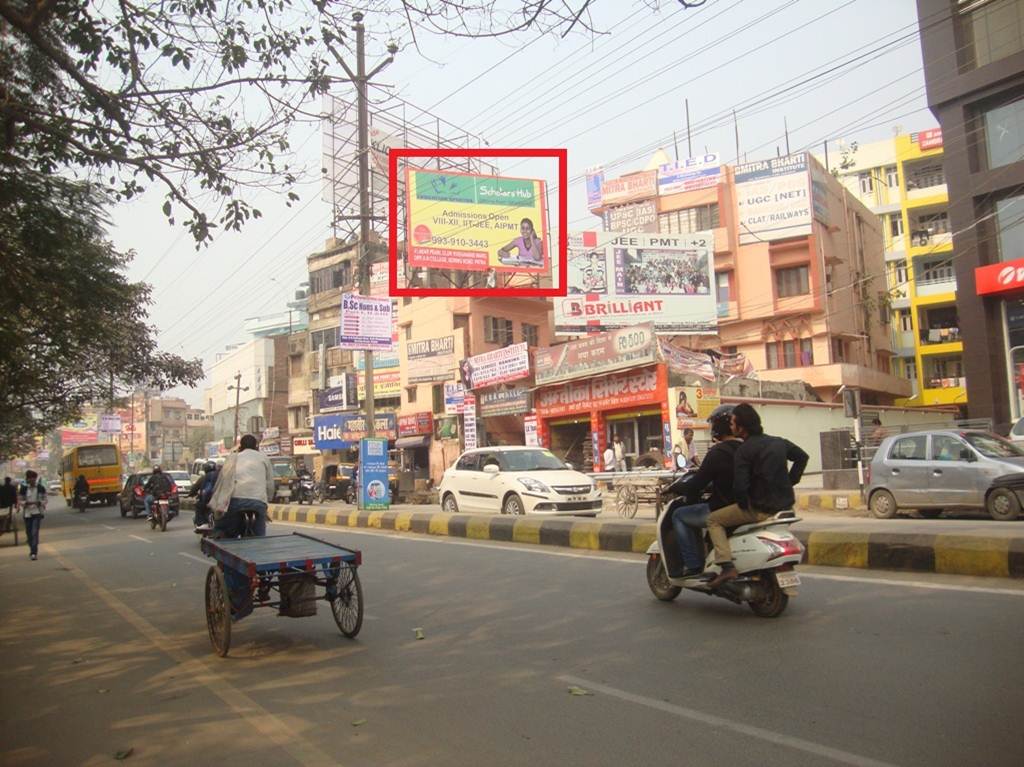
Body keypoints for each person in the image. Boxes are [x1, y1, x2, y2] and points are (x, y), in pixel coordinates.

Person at [706, 403, 809, 589]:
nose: (731, 427)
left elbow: (740, 488)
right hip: (785, 507)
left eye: (733, 423)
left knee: (714, 520)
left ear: (741, 427)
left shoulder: (744, 451)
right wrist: (789, 481)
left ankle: (726, 566)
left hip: (760, 509)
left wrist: (743, 503)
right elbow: (802, 457)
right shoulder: (778, 442)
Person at [668, 406, 742, 577]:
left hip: (723, 506)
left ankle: (693, 565)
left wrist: (676, 487)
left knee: (678, 515)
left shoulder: (717, 452)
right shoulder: (747, 449)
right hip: (745, 505)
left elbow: (697, 483)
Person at [212, 434, 274, 538]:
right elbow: (270, 484)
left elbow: (223, 480)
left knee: (228, 530)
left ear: (241, 446)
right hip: (258, 502)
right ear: (256, 446)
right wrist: (268, 499)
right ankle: (261, 542)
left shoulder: (233, 457)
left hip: (236, 501)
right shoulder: (264, 458)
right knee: (260, 535)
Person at [17, 470, 47, 560]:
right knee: (29, 533)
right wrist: (25, 503)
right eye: (30, 478)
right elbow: (20, 500)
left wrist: (39, 503)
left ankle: (34, 553)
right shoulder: (23, 488)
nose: (32, 480)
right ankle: (31, 547)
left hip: (37, 513)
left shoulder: (41, 487)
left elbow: (45, 499)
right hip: (27, 514)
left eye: (33, 478)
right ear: (27, 479)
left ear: (35, 478)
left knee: (34, 533)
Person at [190, 461, 219, 527]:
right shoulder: (220, 476)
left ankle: (202, 523)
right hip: (219, 500)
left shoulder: (203, 478)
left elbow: (194, 489)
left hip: (207, 501)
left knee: (198, 506)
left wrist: (190, 494)